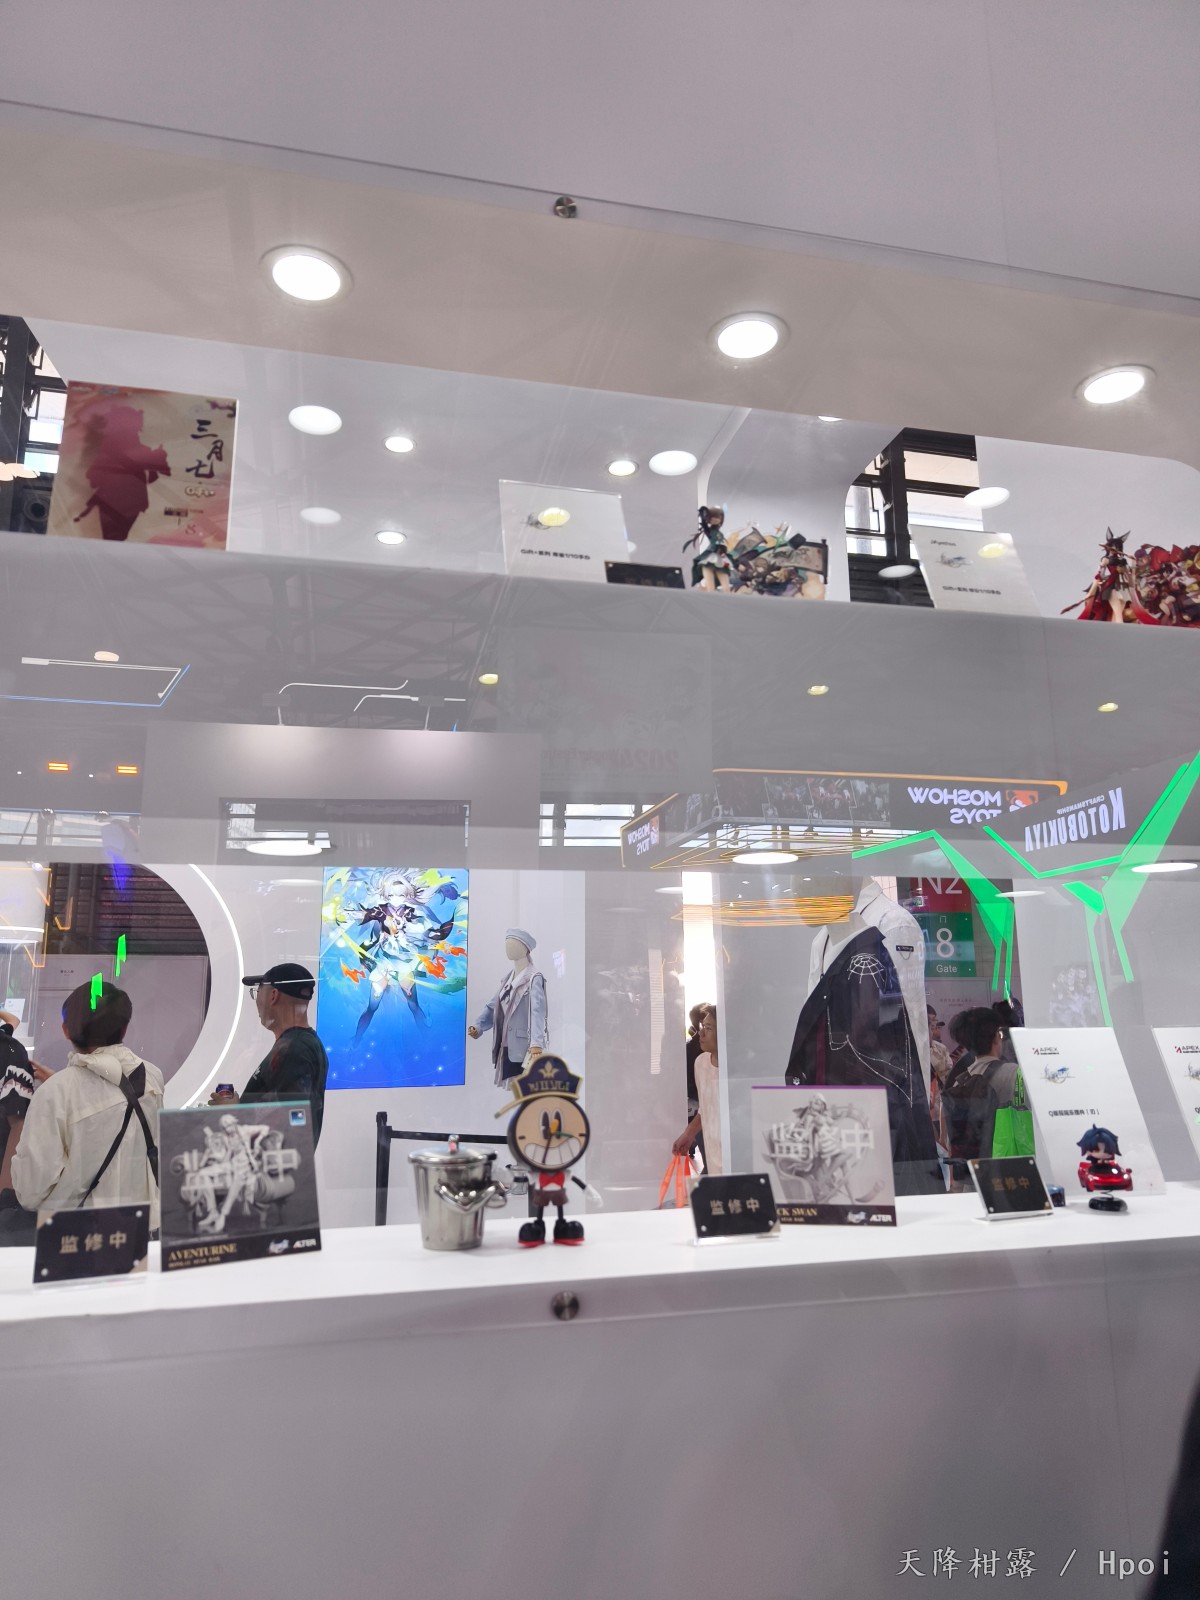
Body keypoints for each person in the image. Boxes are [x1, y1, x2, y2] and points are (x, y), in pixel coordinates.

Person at [10, 981, 163, 1226]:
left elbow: (31, 1192)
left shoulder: (55, 1093)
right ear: (124, 1029)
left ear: (65, 1030)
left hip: (80, 1235)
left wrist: (58, 1087)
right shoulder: (152, 1076)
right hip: (143, 1229)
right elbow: (113, 1102)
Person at [215, 963, 328, 1147]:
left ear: (273, 996)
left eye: (258, 991)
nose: (257, 1000)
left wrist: (234, 1112)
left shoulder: (295, 1050)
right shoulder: (301, 1044)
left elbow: (290, 1126)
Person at [939, 1007, 1019, 1188]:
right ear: (997, 1037)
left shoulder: (960, 1081)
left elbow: (949, 1140)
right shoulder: (1013, 1073)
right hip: (1007, 1175)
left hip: (973, 1178)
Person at [674, 1006, 722, 1174]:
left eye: (708, 1028)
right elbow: (705, 1107)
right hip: (711, 1148)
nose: (700, 1033)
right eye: (703, 1026)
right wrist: (689, 1133)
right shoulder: (701, 1063)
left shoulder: (738, 1068)